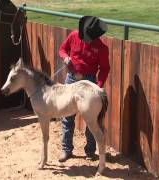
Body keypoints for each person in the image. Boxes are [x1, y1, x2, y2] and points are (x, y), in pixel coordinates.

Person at [58, 16, 110, 162]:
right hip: (71, 78)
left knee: (91, 119)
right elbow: (62, 49)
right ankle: (66, 149)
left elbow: (105, 69)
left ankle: (90, 151)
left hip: (89, 83)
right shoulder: (74, 35)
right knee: (67, 115)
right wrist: (65, 58)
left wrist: (98, 87)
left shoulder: (101, 48)